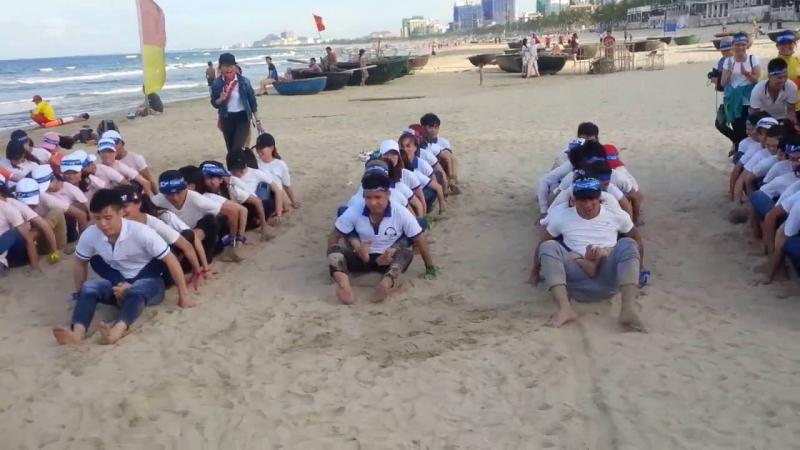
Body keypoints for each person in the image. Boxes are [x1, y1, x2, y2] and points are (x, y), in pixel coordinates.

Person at [51, 189, 193, 345]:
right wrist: (81, 295)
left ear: (120, 213)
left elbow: (170, 259)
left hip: (149, 283)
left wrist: (184, 296)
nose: (103, 224)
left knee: (137, 291)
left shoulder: (141, 232)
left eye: (108, 218)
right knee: (89, 287)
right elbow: (80, 262)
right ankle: (77, 333)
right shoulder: (91, 234)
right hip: (116, 284)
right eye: (97, 218)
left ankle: (116, 332)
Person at [529, 177, 645, 331]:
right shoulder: (562, 217)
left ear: (600, 198)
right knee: (548, 246)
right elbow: (542, 243)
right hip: (576, 279)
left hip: (607, 277)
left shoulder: (616, 215)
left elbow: (636, 239)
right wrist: (534, 271)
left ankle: (628, 309)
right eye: (582, 200)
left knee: (628, 243)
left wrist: (639, 268)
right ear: (574, 200)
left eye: (592, 199)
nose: (588, 205)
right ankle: (565, 308)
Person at [326, 167, 436, 305]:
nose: (373, 202)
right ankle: (343, 285)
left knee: (405, 254)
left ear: (388, 195)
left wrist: (429, 267)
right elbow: (334, 236)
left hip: (387, 260)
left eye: (377, 197)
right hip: (361, 258)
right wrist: (335, 265)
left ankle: (386, 283)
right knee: (334, 251)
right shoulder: (355, 210)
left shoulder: (400, 212)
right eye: (368, 198)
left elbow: (419, 239)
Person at [117, 185, 207, 288]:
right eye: (117, 208)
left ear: (138, 204)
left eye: (125, 206)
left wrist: (197, 272)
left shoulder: (154, 222)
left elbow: (186, 245)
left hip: (155, 267)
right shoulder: (113, 226)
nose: (121, 212)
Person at [152, 169, 243, 263]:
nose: (175, 198)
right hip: (175, 239)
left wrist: (233, 240)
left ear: (185, 188)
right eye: (169, 194)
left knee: (211, 220)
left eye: (179, 192)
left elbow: (232, 211)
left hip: (199, 236)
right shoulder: (156, 201)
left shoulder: (196, 198)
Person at [210, 53, 261, 157]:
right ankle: (235, 167)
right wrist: (221, 99)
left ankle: (242, 165)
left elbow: (252, 101)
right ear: (220, 68)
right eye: (225, 66)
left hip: (243, 118)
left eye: (231, 66)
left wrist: (257, 120)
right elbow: (214, 103)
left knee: (237, 148)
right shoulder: (217, 84)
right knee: (231, 151)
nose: (228, 69)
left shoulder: (244, 81)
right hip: (226, 118)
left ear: (235, 67)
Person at [721, 32, 761, 146]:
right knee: (739, 132)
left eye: (743, 45)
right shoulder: (728, 61)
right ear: (732, 46)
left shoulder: (752, 59)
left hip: (750, 101)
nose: (740, 47)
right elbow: (723, 83)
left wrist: (747, 74)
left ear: (747, 45)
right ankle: (739, 151)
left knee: (753, 131)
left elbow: (756, 80)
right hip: (734, 102)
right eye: (737, 45)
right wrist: (729, 71)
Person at [0, 175, 43, 276]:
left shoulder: (9, 208)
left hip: (7, 253)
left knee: (18, 232)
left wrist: (35, 267)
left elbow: (28, 238)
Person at [254, 133, 300, 209]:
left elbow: (287, 186)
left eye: (262, 148)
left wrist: (293, 202)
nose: (259, 151)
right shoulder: (255, 163)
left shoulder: (280, 165)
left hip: (276, 197)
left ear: (272, 148)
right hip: (260, 195)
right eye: (257, 148)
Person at [420, 113, 460, 195]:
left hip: (443, 167)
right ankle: (450, 182)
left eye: (436, 127)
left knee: (452, 158)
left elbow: (449, 158)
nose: (433, 130)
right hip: (429, 169)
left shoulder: (443, 141)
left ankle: (452, 180)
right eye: (430, 127)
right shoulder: (421, 142)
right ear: (423, 128)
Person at [749, 58, 798, 122]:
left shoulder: (791, 86)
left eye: (785, 76)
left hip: (783, 119)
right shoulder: (757, 90)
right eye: (779, 77)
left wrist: (792, 125)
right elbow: (754, 115)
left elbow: (791, 112)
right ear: (769, 76)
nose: (783, 80)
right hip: (763, 120)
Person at [713, 40, 736, 147]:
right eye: (723, 51)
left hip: (739, 99)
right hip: (727, 97)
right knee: (719, 123)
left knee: (736, 125)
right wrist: (715, 79)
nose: (725, 53)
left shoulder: (738, 60)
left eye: (728, 50)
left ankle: (737, 143)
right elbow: (720, 85)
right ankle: (735, 141)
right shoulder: (721, 62)